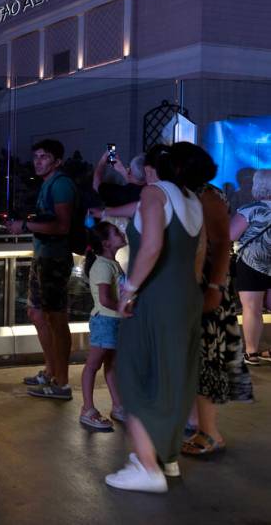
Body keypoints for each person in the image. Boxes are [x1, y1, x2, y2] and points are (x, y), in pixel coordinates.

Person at [105, 143, 209, 493]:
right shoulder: (194, 201)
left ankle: (148, 467)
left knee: (134, 376)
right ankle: (166, 458)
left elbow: (151, 246)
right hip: (186, 297)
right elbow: (199, 254)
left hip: (155, 296)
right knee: (173, 376)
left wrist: (130, 289)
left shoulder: (154, 194)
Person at [183, 180, 253, 457]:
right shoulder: (197, 194)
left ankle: (209, 432)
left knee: (206, 359)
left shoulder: (206, 195)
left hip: (208, 289)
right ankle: (200, 425)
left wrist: (214, 288)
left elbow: (222, 242)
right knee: (198, 360)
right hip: (206, 287)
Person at [5, 139, 77, 400]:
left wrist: (25, 227)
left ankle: (62, 382)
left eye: (44, 157)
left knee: (55, 319)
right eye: (36, 156)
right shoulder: (49, 184)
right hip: (43, 258)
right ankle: (51, 371)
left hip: (54, 260)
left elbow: (62, 226)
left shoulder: (61, 185)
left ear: (57, 161)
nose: (38, 161)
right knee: (37, 313)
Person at [78, 222, 126, 431]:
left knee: (111, 365)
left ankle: (118, 405)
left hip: (114, 321)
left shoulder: (112, 264)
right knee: (93, 364)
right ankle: (87, 408)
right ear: (106, 243)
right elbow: (106, 299)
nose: (121, 232)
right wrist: (126, 310)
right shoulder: (103, 266)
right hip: (105, 321)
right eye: (116, 232)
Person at [229, 169, 271, 365]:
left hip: (251, 263)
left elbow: (231, 235)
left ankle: (252, 353)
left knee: (252, 308)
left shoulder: (250, 209)